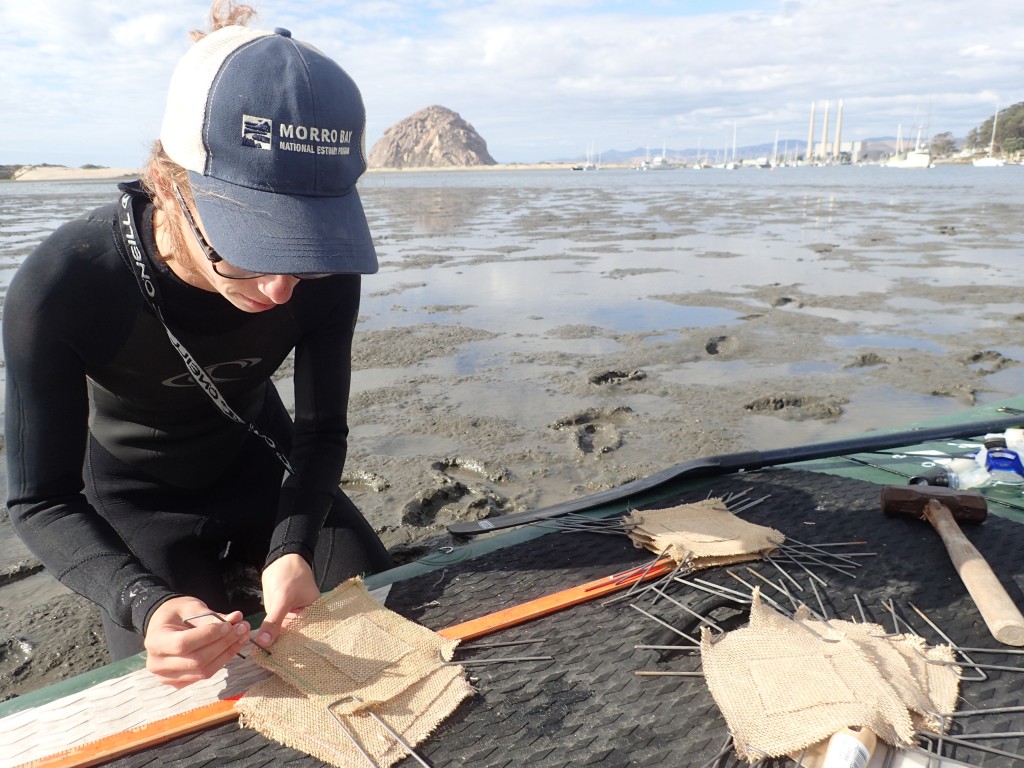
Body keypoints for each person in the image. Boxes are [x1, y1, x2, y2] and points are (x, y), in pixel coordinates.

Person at [2, 1, 394, 688]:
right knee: (181, 688)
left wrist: (292, 543)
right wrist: (145, 603)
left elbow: (321, 431)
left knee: (390, 618)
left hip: (259, 464)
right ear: (167, 186)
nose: (279, 289)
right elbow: (40, 500)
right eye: (245, 251)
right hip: (134, 493)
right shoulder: (64, 286)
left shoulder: (323, 269)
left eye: (304, 252)